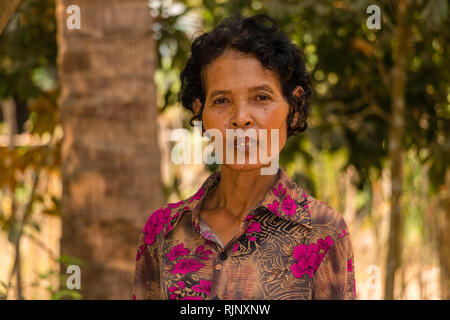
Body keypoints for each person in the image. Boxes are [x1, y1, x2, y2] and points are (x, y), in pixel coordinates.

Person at [132, 13, 356, 300]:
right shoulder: (162, 231)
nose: (240, 119)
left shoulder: (323, 233)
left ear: (295, 107)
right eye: (221, 101)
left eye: (261, 97)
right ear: (201, 113)